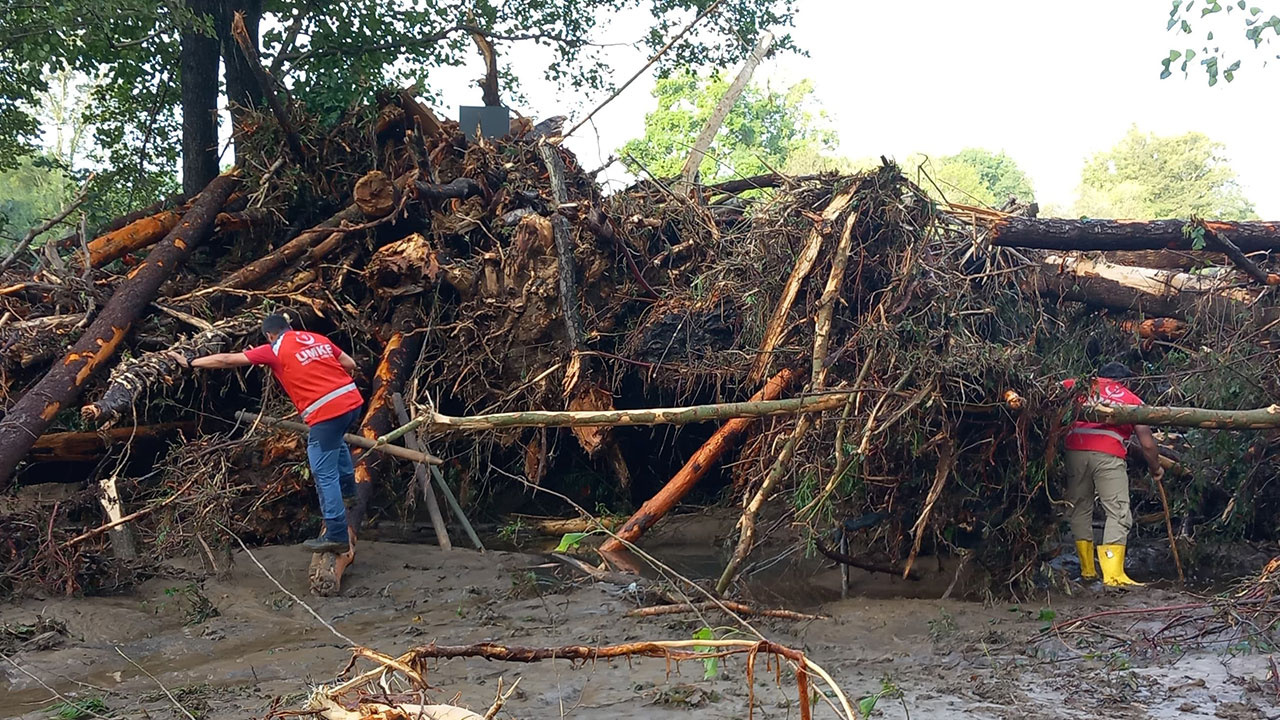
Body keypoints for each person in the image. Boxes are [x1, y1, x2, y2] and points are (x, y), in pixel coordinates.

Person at [168, 313, 363, 553]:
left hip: (327, 413)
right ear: (289, 327)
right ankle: (350, 494)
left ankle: (336, 534)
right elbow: (349, 364)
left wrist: (191, 363)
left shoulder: (274, 349)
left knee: (324, 473)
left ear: (269, 335)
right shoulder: (315, 338)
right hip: (352, 403)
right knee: (336, 442)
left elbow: (228, 359)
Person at [1062, 361, 1164, 587]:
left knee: (1080, 507)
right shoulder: (1131, 400)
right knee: (1117, 511)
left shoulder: (1076, 387)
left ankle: (1088, 571)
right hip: (1108, 455)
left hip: (1074, 452)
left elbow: (1047, 391)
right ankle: (1113, 575)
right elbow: (1147, 444)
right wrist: (1156, 468)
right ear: (1126, 381)